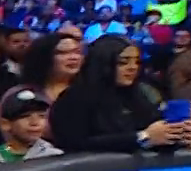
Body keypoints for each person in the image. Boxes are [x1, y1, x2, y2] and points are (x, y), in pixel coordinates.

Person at [48, 37, 180, 153]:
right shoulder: (75, 98)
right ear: (104, 63)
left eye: (137, 62)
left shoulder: (138, 95)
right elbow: (75, 143)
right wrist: (142, 137)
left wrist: (175, 134)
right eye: (123, 62)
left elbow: (154, 130)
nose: (133, 67)